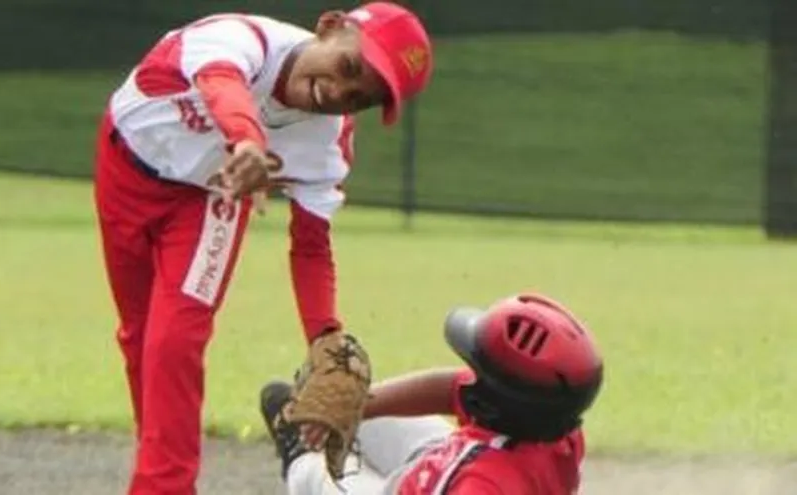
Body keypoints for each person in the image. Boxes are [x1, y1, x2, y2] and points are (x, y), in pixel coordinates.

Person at [91, 3, 433, 494]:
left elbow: (312, 246)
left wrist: (324, 334)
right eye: (349, 67)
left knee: (175, 341)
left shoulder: (329, 143)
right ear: (330, 27)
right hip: (124, 169)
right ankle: (157, 461)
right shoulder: (239, 37)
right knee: (139, 337)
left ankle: (163, 486)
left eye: (359, 97)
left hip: (212, 197)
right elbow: (221, 84)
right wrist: (247, 140)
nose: (339, 93)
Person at [260, 293, 605, 494]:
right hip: (445, 460)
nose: (472, 376)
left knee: (321, 478)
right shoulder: (555, 430)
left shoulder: (478, 483)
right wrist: (354, 406)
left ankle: (300, 454)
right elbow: (450, 387)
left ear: (495, 403)